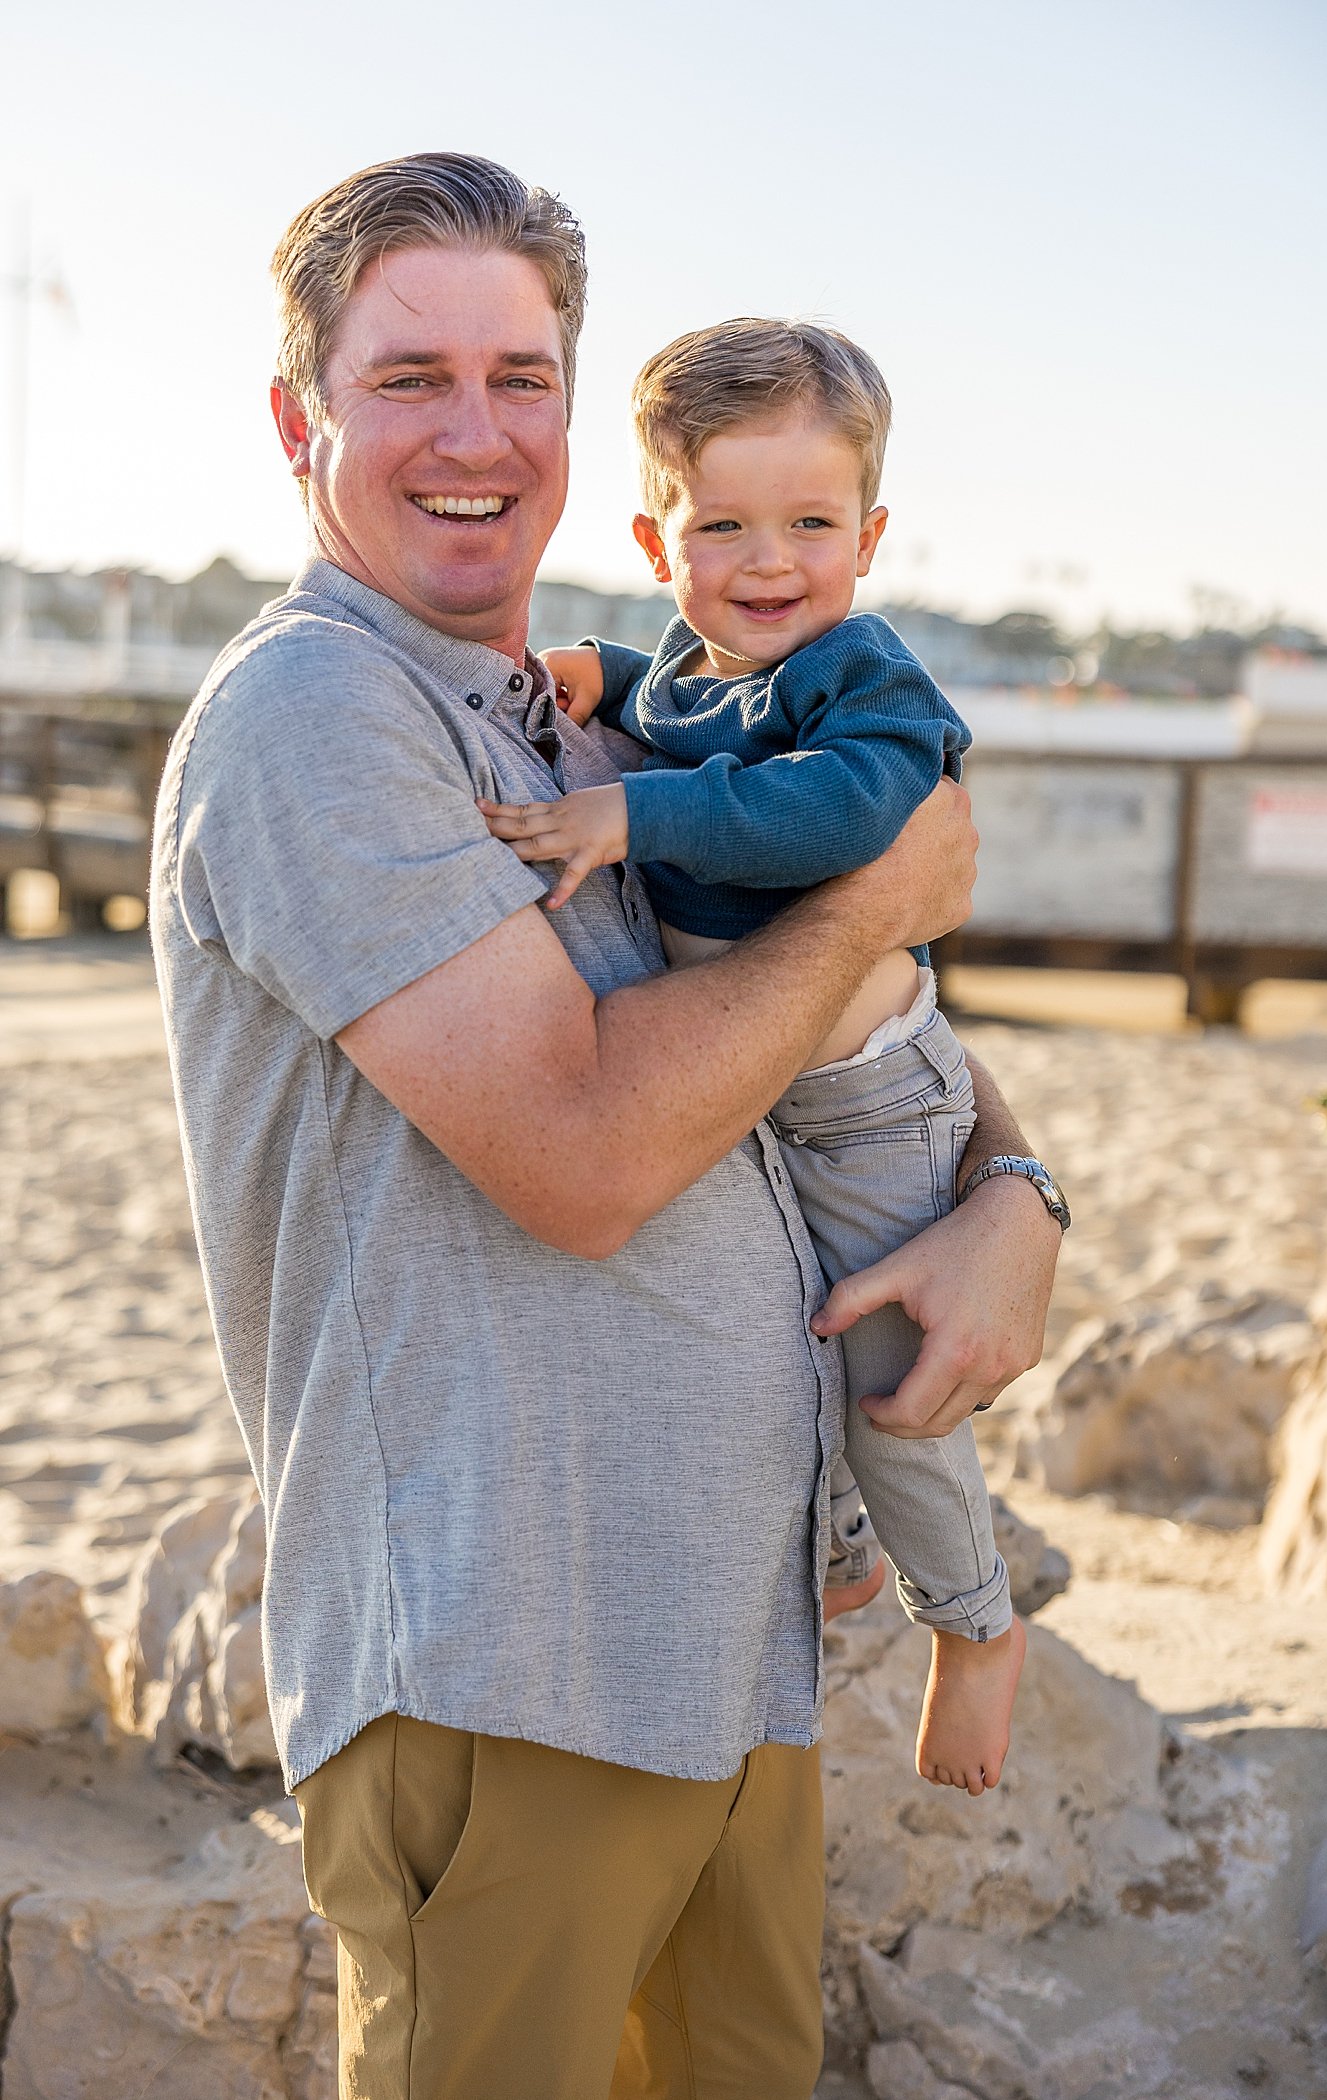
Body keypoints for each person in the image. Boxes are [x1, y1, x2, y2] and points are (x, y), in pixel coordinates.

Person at [149, 151, 1065, 2100]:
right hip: (504, 1669)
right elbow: (584, 1153)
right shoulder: (320, 715)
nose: (476, 433)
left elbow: (812, 1018)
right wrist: (877, 900)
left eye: (523, 374)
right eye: (409, 377)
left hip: (721, 1659)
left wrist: (1009, 1180)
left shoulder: (591, 721)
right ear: (298, 418)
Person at [482, 317, 1071, 1795]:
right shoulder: (692, 667)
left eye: (811, 523)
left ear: (869, 536)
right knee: (765, 1340)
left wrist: (636, 818)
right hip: (760, 1093)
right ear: (654, 535)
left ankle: (978, 1621)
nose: (769, 562)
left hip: (874, 1106)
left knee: (893, 1389)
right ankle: (848, 1557)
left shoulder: (866, 676)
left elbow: (843, 815)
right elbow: (681, 700)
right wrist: (595, 676)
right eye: (724, 524)